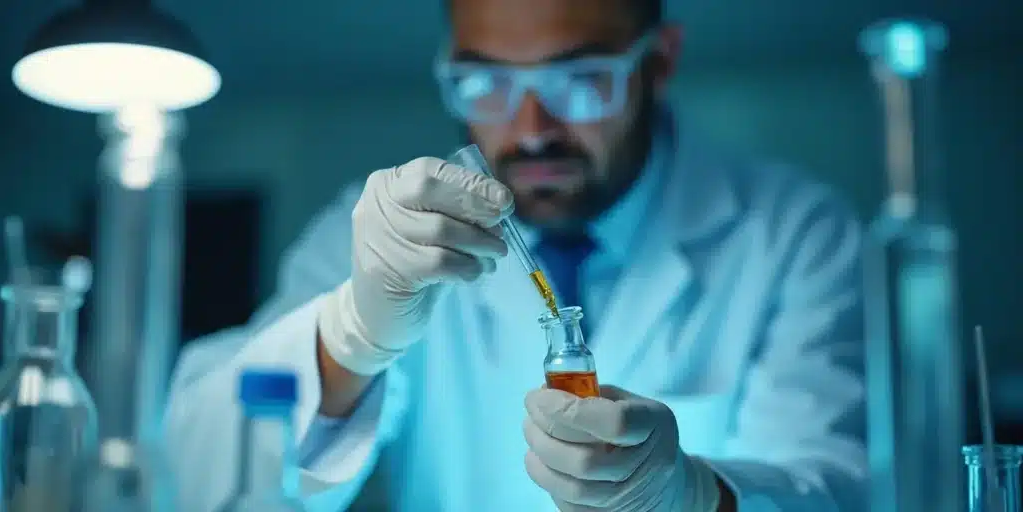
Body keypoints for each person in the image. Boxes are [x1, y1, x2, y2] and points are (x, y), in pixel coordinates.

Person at [163, 0, 868, 510]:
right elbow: (202, 481)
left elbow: (839, 488)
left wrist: (694, 496)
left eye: (580, 78)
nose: (530, 131)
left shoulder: (795, 235)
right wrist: (352, 337)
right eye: (486, 83)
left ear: (658, 62)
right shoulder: (387, 229)